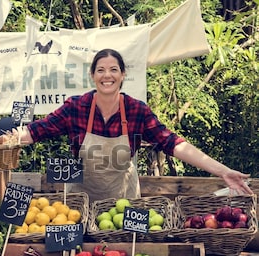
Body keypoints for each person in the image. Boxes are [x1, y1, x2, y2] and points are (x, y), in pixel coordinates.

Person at [15, 48, 253, 202]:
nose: (106, 75)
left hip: (123, 203)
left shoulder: (136, 110)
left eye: (113, 70)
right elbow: (36, 131)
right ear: (92, 75)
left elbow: (173, 143)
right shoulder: (76, 107)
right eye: (100, 70)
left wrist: (222, 171)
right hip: (80, 203)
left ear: (122, 75)